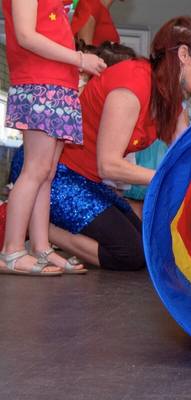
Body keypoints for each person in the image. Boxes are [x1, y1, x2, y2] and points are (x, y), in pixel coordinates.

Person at [43, 16, 191, 271]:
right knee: (132, 253)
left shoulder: (166, 95)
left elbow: (185, 151)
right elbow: (109, 165)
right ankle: (38, 225)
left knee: (146, 246)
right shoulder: (133, 82)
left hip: (90, 184)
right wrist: (165, 176)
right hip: (62, 179)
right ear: (184, 54)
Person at [0, 0, 106, 276]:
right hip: (39, 82)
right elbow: (25, 35)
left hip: (57, 83)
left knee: (46, 172)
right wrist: (80, 59)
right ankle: (12, 250)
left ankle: (40, 246)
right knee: (35, 169)